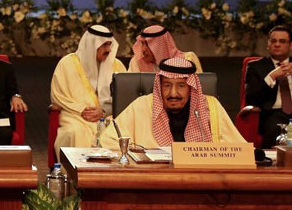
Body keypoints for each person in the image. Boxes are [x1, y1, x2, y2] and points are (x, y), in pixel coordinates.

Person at [102, 57, 245, 148]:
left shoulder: (210, 107)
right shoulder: (142, 105)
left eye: (181, 86)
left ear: (191, 88)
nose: (173, 93)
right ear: (159, 86)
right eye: (167, 85)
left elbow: (237, 148)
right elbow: (108, 140)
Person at [51, 25, 126, 158]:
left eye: (110, 45)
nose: (109, 49)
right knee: (75, 132)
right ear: (92, 45)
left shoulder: (117, 65)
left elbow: (125, 96)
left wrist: (104, 111)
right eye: (104, 45)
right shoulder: (67, 64)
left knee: (118, 133)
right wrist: (82, 110)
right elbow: (58, 95)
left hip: (109, 116)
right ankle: (77, 170)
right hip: (76, 116)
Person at [245, 25, 292, 148]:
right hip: (272, 114)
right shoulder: (256, 66)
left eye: (282, 41)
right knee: (274, 129)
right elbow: (251, 98)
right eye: (273, 41)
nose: (277, 44)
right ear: (268, 44)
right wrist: (272, 76)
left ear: (290, 45)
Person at [128, 25, 203, 73]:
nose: (143, 50)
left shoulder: (188, 59)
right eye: (142, 43)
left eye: (147, 44)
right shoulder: (137, 62)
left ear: (160, 45)